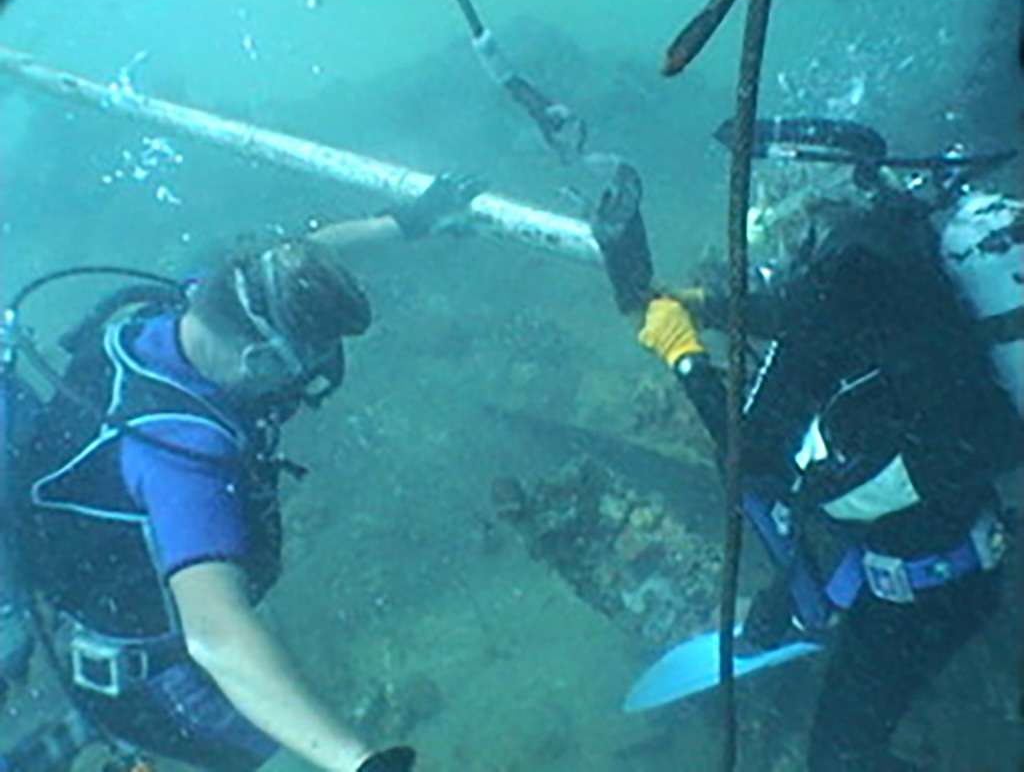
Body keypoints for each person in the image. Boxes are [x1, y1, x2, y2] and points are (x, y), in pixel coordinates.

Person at [0, 173, 484, 772]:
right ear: (260, 360)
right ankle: (80, 730)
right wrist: (356, 761)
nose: (296, 390)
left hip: (96, 603)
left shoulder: (185, 313)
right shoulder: (179, 459)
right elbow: (216, 635)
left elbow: (284, 264)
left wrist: (403, 223)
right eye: (299, 370)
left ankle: (69, 726)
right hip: (160, 681)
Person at [595, 173, 1023, 770]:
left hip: (925, 595)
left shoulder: (831, 289)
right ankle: (807, 609)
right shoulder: (889, 256)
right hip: (965, 536)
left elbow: (749, 454)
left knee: (838, 760)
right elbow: (812, 320)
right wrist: (709, 306)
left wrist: (684, 357)